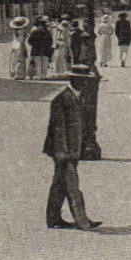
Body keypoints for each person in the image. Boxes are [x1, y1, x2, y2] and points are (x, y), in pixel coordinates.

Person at [43, 64, 101, 230]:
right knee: (72, 185)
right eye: (82, 80)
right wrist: (63, 152)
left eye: (86, 81)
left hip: (72, 150)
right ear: (74, 80)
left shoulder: (78, 98)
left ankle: (53, 218)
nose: (84, 84)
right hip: (63, 151)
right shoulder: (61, 100)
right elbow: (58, 128)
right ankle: (83, 221)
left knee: (60, 185)